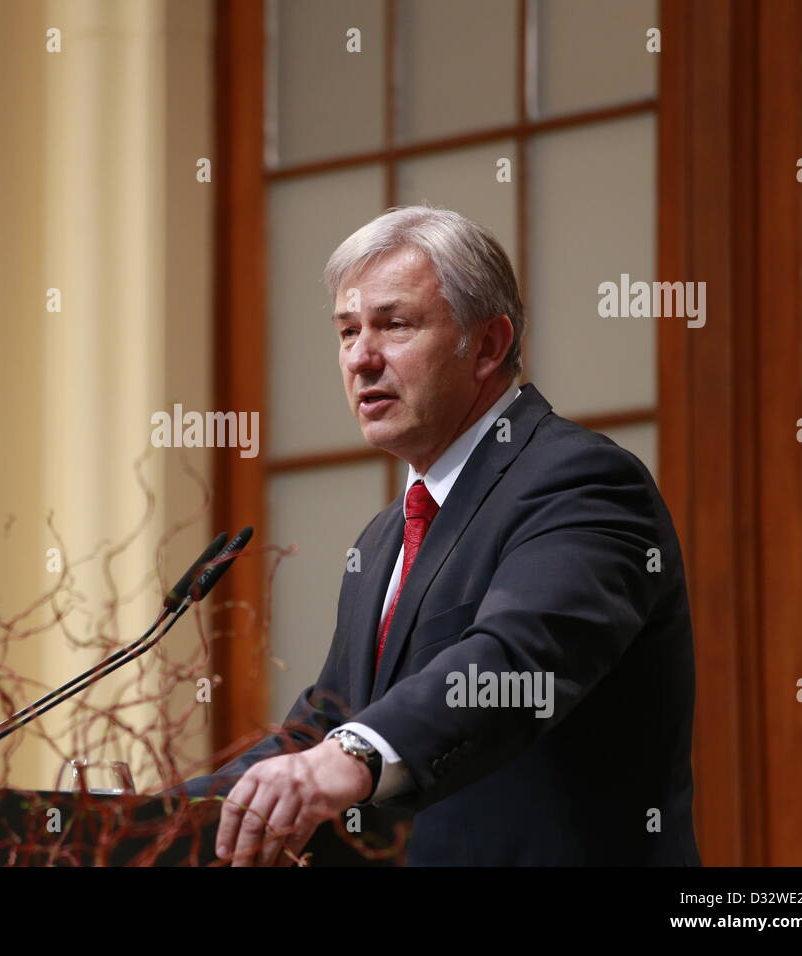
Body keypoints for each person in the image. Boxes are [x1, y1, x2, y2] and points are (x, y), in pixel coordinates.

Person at [179, 205, 700, 867]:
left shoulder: (580, 480)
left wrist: (354, 756)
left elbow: (517, 660)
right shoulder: (383, 539)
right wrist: (147, 826)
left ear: (487, 344)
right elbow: (322, 727)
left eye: (394, 325)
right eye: (346, 331)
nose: (361, 358)